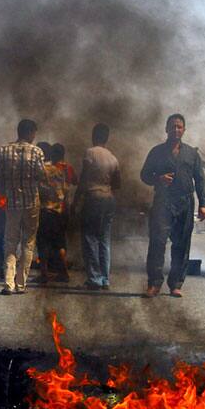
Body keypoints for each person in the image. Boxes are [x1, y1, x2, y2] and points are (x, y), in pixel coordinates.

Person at [140, 113, 205, 297]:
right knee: (157, 243)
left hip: (185, 203)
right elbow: (144, 175)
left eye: (179, 126)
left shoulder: (192, 154)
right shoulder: (156, 152)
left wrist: (204, 204)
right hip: (163, 202)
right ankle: (154, 284)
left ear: (184, 130)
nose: (175, 129)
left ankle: (176, 284)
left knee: (181, 245)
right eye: (172, 126)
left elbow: (200, 180)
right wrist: (158, 178)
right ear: (166, 129)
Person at [0, 119, 47, 295]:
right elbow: (42, 177)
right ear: (31, 133)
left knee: (10, 242)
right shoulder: (37, 152)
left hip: (12, 203)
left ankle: (8, 283)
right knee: (28, 243)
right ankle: (21, 284)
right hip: (31, 202)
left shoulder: (4, 151)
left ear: (18, 131)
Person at [77, 123, 121, 290]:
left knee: (90, 238)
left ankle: (94, 278)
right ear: (107, 138)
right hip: (109, 200)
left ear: (94, 136)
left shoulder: (91, 152)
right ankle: (105, 279)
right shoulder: (113, 157)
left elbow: (83, 178)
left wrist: (76, 200)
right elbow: (117, 185)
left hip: (93, 198)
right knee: (104, 239)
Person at [36, 143, 69, 284]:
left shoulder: (42, 170)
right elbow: (65, 191)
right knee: (59, 243)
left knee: (43, 244)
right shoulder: (59, 171)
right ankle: (64, 272)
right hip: (57, 211)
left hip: (44, 211)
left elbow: (37, 190)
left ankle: (44, 273)